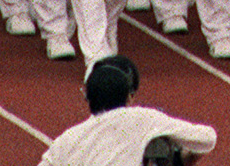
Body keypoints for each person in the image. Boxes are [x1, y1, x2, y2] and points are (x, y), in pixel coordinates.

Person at [35, 56, 216, 166]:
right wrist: (181, 160)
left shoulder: (67, 139)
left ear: (87, 97)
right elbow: (207, 138)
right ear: (129, 97)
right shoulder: (143, 118)